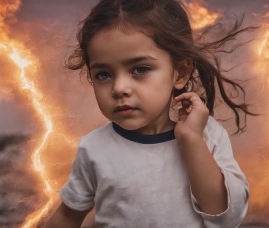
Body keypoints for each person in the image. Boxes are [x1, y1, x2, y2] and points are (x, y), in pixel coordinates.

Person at [46, 0, 255, 227]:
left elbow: (227, 217)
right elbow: (68, 216)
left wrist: (192, 140)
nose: (119, 88)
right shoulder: (94, 149)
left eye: (140, 69)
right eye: (103, 74)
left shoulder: (207, 137)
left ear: (181, 72)